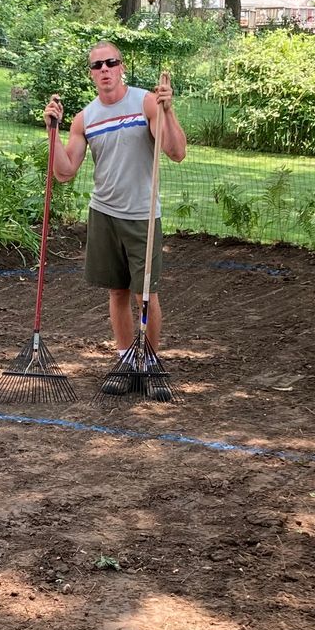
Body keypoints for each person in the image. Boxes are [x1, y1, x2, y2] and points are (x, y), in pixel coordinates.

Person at [43, 40, 187, 396]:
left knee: (145, 293)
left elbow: (176, 152)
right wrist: (53, 132)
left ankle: (149, 364)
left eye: (111, 63)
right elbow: (64, 172)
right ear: (91, 73)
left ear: (122, 67)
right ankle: (126, 360)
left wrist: (168, 112)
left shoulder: (145, 102)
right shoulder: (85, 118)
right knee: (118, 291)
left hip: (141, 214)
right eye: (97, 65)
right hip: (104, 213)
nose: (105, 69)